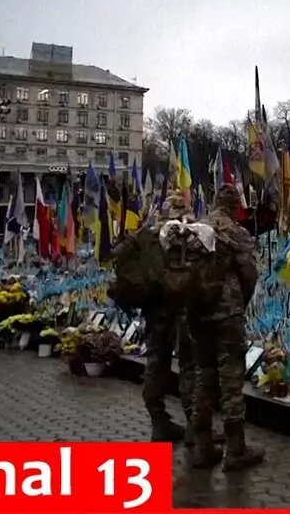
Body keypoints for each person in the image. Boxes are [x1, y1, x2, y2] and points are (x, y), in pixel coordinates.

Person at [175, 185, 264, 471]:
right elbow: (249, 273)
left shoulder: (194, 229)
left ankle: (202, 445)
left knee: (203, 374)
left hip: (196, 312)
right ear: (235, 205)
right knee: (231, 377)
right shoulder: (235, 233)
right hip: (226, 314)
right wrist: (240, 300)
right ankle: (236, 449)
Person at [111, 207, 202, 445]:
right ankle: (195, 428)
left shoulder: (146, 237)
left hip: (153, 311)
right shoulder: (180, 235)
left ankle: (159, 422)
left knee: (155, 364)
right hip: (178, 309)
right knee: (188, 364)